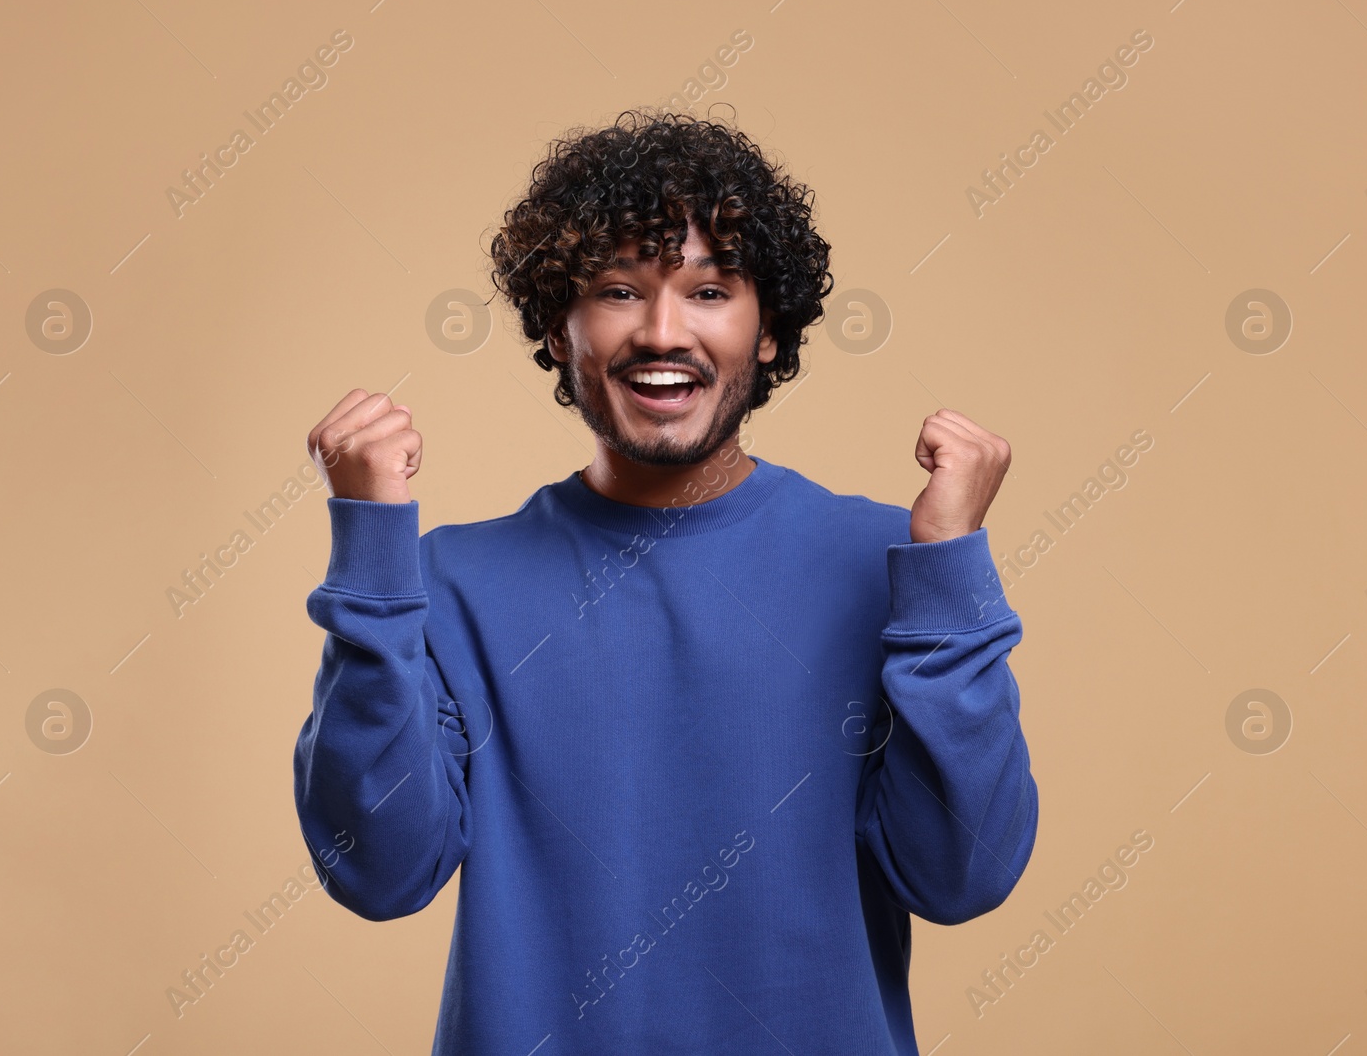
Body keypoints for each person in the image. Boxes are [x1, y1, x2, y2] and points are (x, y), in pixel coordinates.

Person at [293, 108, 1037, 1055]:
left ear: (769, 332)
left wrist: (947, 572)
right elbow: (377, 871)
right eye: (617, 289)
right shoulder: (451, 582)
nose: (661, 330)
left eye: (711, 290)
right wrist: (372, 550)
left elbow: (961, 875)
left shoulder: (888, 565)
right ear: (560, 333)